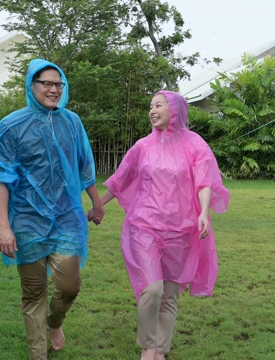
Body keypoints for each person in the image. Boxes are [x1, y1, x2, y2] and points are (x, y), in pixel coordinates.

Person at [0, 58, 105, 360]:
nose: (53, 89)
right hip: (27, 222)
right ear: (31, 86)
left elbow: (85, 165)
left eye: (58, 84)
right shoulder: (11, 125)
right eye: (46, 83)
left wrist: (97, 202)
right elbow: (1, 177)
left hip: (67, 218)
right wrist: (4, 227)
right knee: (33, 294)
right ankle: (38, 354)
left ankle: (55, 321)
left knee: (69, 286)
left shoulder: (72, 122)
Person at [91, 90, 229, 360]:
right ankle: (148, 347)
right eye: (150, 106)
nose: (152, 111)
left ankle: (161, 351)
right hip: (145, 225)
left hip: (182, 228)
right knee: (152, 289)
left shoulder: (195, 144)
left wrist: (203, 211)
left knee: (170, 294)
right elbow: (121, 179)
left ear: (174, 109)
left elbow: (204, 181)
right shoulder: (143, 146)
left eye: (158, 105)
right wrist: (98, 205)